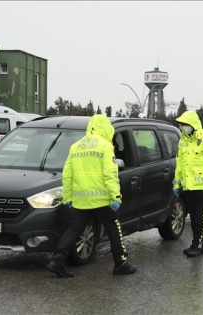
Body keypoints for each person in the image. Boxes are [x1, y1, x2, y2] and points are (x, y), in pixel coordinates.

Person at [46, 114, 136, 278]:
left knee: (73, 231)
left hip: (81, 200)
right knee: (114, 229)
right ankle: (121, 263)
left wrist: (68, 197)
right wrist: (116, 196)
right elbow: (110, 173)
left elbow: (67, 175)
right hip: (102, 200)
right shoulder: (105, 146)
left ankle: (57, 260)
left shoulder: (76, 146)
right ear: (106, 128)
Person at [173, 110, 203, 257]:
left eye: (185, 124)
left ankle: (197, 245)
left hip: (202, 188)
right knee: (193, 218)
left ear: (193, 124)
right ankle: (197, 244)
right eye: (181, 124)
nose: (183, 126)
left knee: (200, 218)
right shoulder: (183, 140)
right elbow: (179, 163)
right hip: (188, 187)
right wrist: (176, 184)